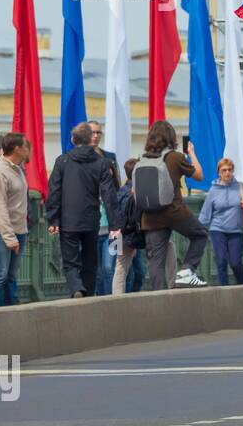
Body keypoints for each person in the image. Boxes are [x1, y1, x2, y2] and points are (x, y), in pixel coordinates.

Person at [45, 122, 120, 299]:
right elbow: (109, 195)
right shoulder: (101, 163)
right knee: (90, 260)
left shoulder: (62, 161)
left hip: (68, 220)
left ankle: (76, 288)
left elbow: (54, 192)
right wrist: (114, 224)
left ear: (73, 139)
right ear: (90, 140)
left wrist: (53, 220)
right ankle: (88, 294)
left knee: (70, 261)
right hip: (91, 219)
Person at [138, 120, 208, 289]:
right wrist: (191, 153)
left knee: (156, 261)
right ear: (171, 137)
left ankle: (158, 300)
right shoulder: (175, 157)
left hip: (150, 217)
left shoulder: (142, 159)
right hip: (174, 212)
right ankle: (186, 271)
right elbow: (199, 175)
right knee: (200, 234)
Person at [0, 133, 31, 307]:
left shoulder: (17, 168)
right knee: (0, 274)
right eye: (25, 147)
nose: (27, 150)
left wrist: (21, 232)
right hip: (3, 232)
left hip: (20, 230)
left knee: (11, 275)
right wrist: (9, 237)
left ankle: (9, 311)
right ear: (17, 149)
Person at [199, 158, 243, 286]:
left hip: (236, 230)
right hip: (218, 230)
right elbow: (205, 213)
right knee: (221, 261)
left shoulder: (240, 187)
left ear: (233, 171)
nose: (227, 173)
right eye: (224, 170)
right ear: (219, 172)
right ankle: (224, 292)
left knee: (235, 262)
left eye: (230, 170)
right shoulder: (213, 190)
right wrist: (198, 230)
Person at [88, 121, 122, 295]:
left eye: (98, 132)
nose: (95, 136)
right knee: (98, 270)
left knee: (111, 267)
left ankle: (110, 301)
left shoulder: (110, 156)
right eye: (92, 132)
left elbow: (118, 186)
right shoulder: (80, 158)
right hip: (91, 227)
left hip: (114, 228)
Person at [111, 157, 148, 294]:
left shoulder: (120, 191)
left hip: (120, 234)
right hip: (136, 234)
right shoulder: (138, 191)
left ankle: (117, 298)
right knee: (140, 270)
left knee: (120, 267)